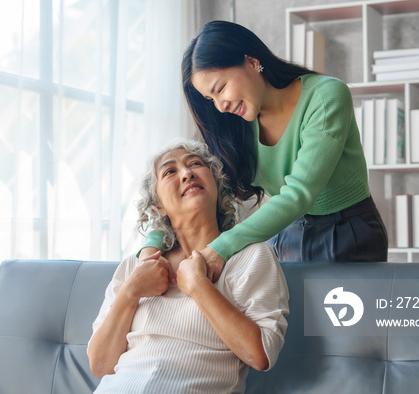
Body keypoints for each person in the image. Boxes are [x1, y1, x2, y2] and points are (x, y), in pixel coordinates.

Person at [140, 20, 388, 280]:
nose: (220, 106)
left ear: (250, 60)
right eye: (210, 100)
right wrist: (152, 246)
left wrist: (221, 248)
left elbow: (299, 194)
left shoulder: (326, 97)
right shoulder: (232, 125)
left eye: (220, 89)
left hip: (348, 232)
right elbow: (177, 193)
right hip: (284, 230)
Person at [88, 140, 289, 393]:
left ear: (216, 185)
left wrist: (198, 285)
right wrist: (131, 291)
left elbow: (261, 355)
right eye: (170, 171)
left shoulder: (252, 258)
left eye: (196, 164)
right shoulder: (135, 266)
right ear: (157, 206)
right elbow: (100, 364)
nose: (187, 173)